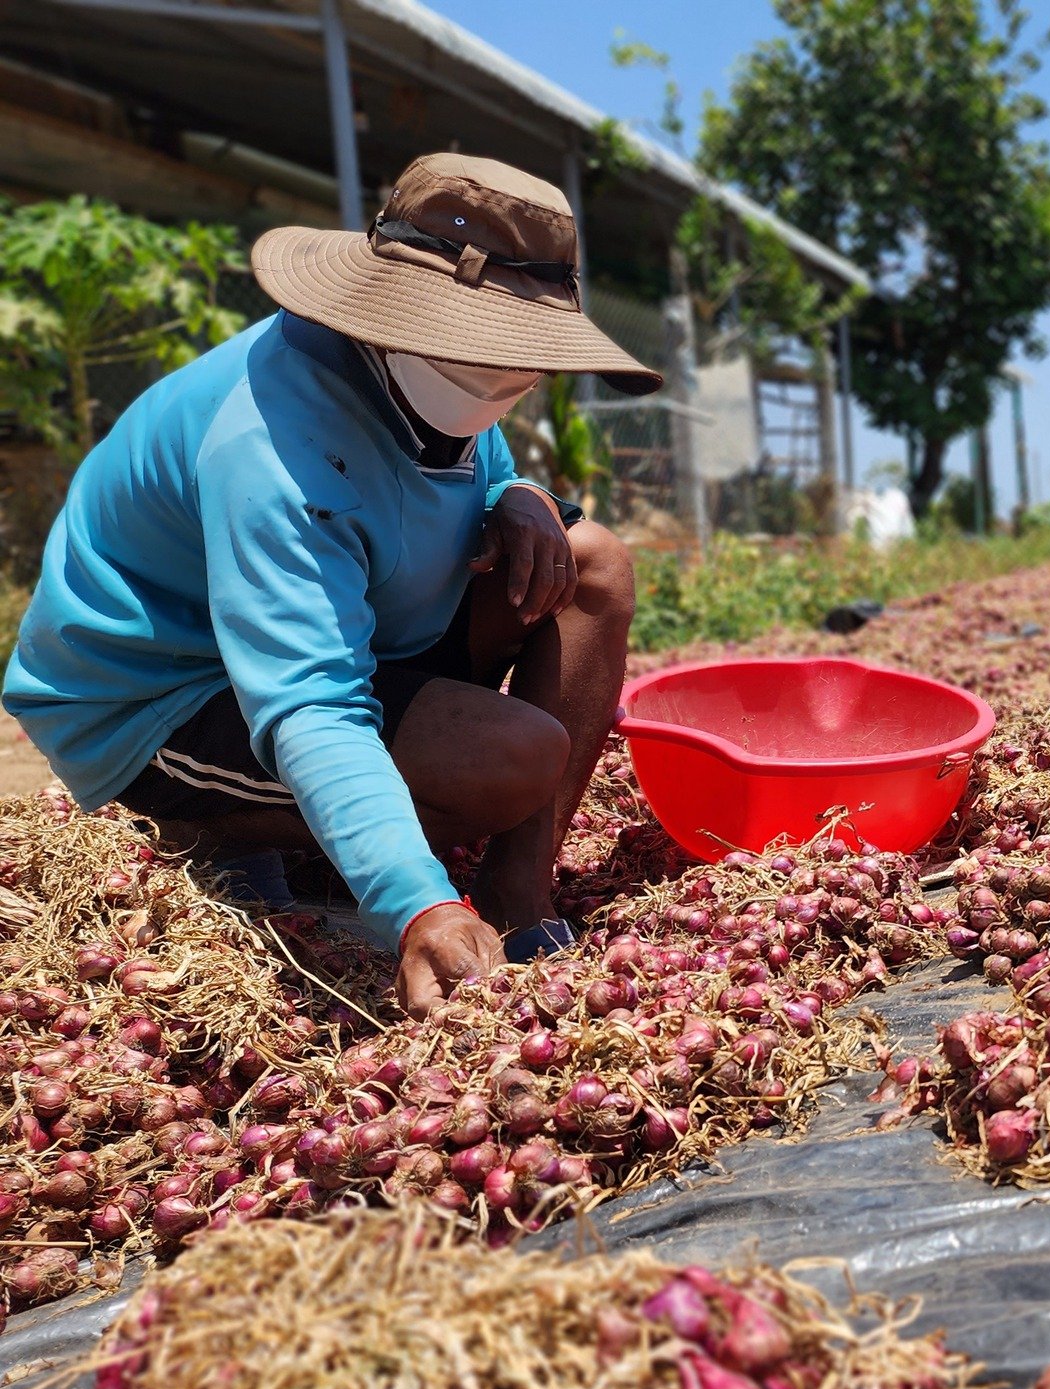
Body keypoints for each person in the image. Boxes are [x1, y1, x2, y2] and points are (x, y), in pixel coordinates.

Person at [3, 153, 662, 1017]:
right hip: (162, 691)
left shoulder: (418, 382)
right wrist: (415, 902)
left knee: (595, 562)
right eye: (481, 355)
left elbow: (469, 460)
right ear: (394, 314)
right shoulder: (272, 445)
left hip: (331, 627)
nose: (499, 383)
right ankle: (213, 828)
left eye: (518, 360)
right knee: (511, 760)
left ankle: (516, 890)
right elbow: (312, 700)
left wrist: (519, 496)